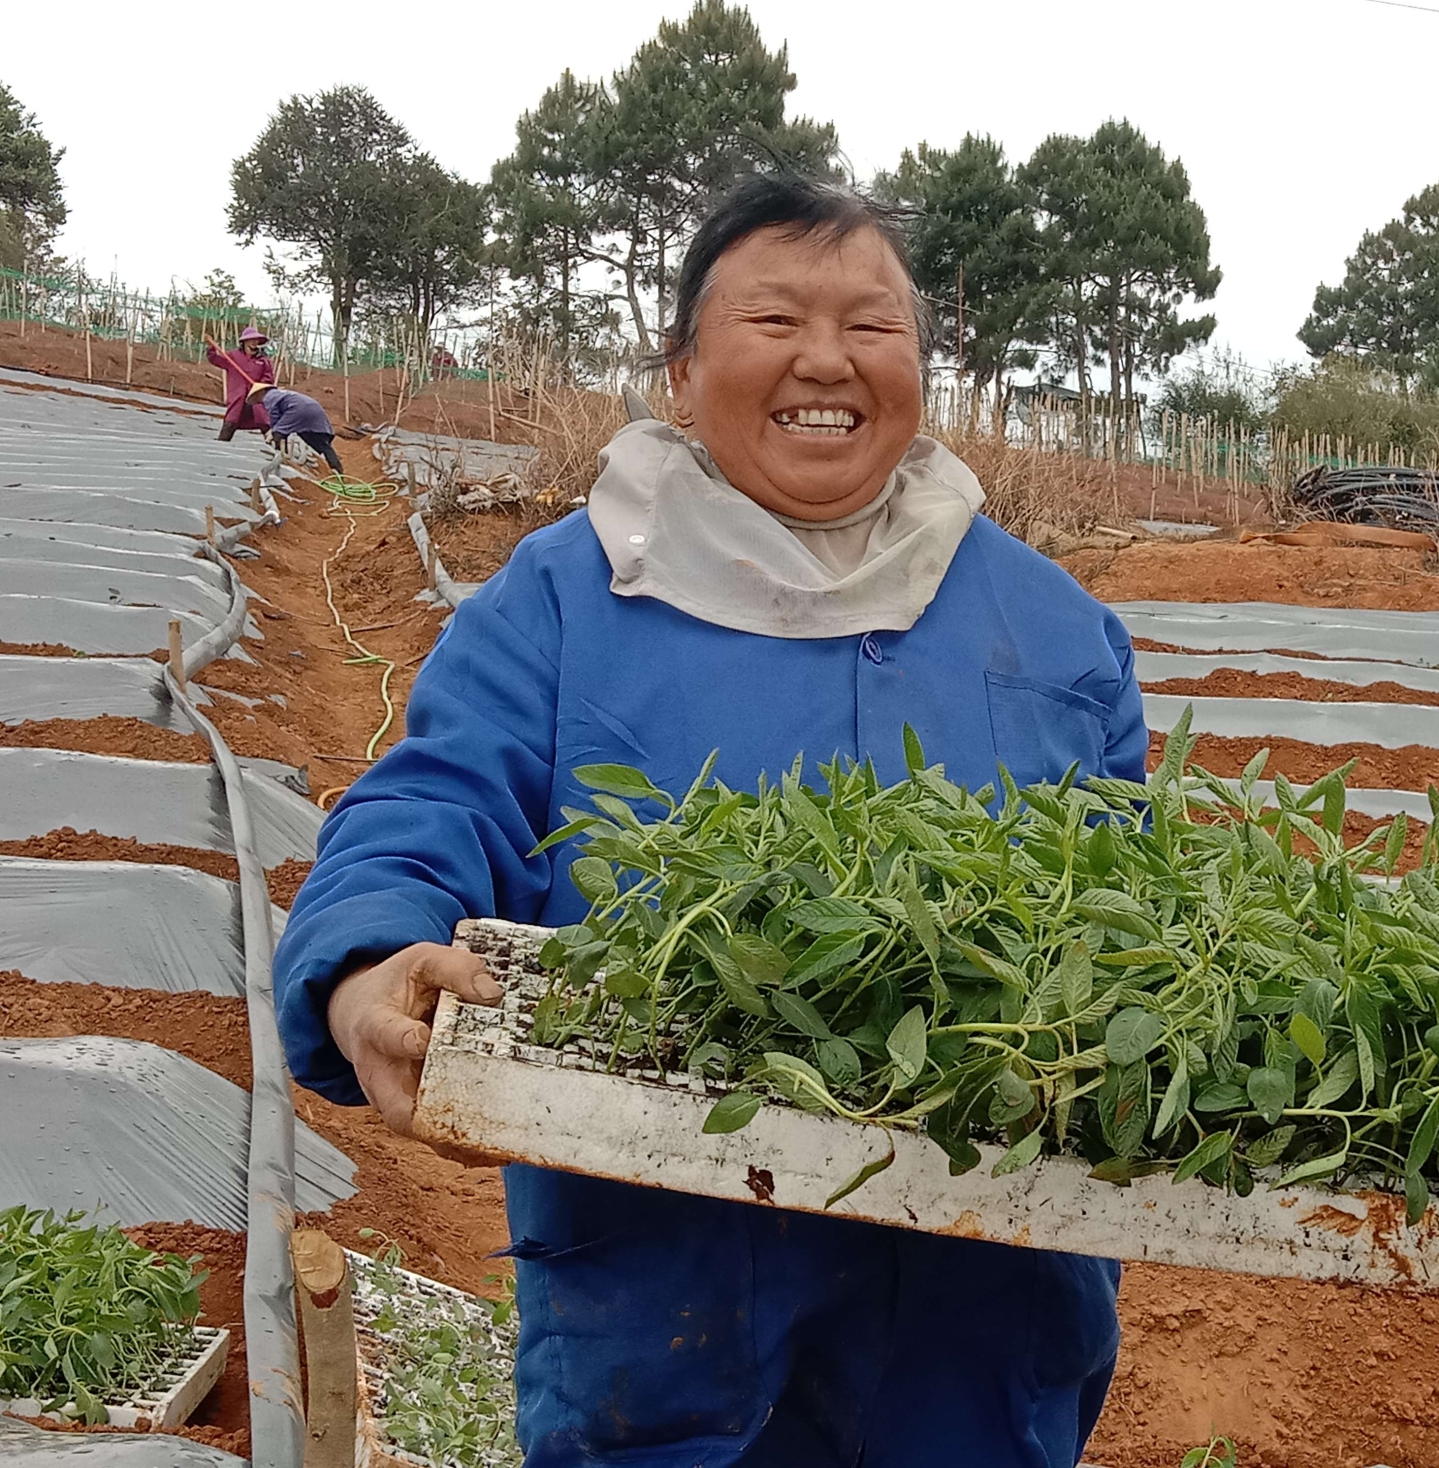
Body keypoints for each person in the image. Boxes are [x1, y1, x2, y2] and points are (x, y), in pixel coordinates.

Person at [271, 175, 1144, 1468]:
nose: (827, 360)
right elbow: (435, 796)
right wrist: (364, 959)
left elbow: (1136, 910)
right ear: (680, 372)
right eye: (775, 319)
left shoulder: (1058, 629)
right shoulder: (566, 598)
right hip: (670, 1321)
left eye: (872, 325)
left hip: (986, 1322)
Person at [249, 382, 344, 475]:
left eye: (256, 397)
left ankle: (281, 458)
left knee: (278, 433)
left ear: (261, 392)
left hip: (296, 409)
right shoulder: (281, 393)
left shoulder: (268, 397)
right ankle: (336, 468)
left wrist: (274, 430)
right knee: (317, 440)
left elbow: (274, 414)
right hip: (313, 409)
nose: (259, 401)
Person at [203, 327, 275, 441]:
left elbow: (269, 377)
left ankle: (276, 445)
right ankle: (221, 444)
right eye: (251, 339)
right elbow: (215, 359)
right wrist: (211, 347)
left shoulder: (263, 360)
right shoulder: (233, 356)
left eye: (256, 340)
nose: (254, 342)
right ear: (244, 341)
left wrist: (260, 385)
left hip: (255, 397)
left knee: (264, 422)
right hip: (237, 397)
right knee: (231, 422)